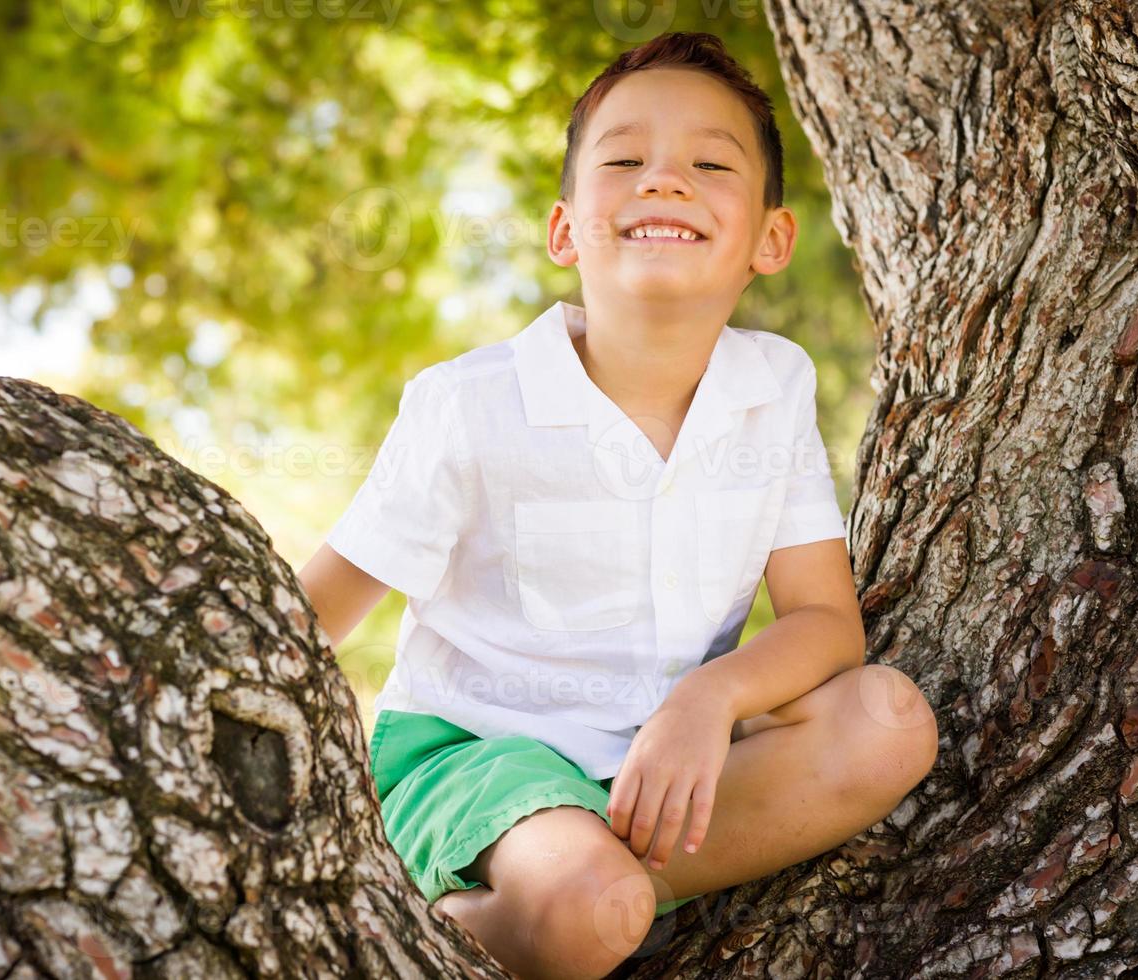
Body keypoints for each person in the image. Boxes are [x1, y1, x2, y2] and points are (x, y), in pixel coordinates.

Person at [297, 30, 939, 980]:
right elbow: (315, 611)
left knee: (891, 724)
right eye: (626, 159)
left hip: (660, 757)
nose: (665, 181)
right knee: (592, 912)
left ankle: (604, 888)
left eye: (711, 163)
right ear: (565, 229)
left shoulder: (775, 385)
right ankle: (454, 907)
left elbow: (825, 621)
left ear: (772, 239)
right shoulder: (473, 402)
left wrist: (709, 697)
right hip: (479, 759)